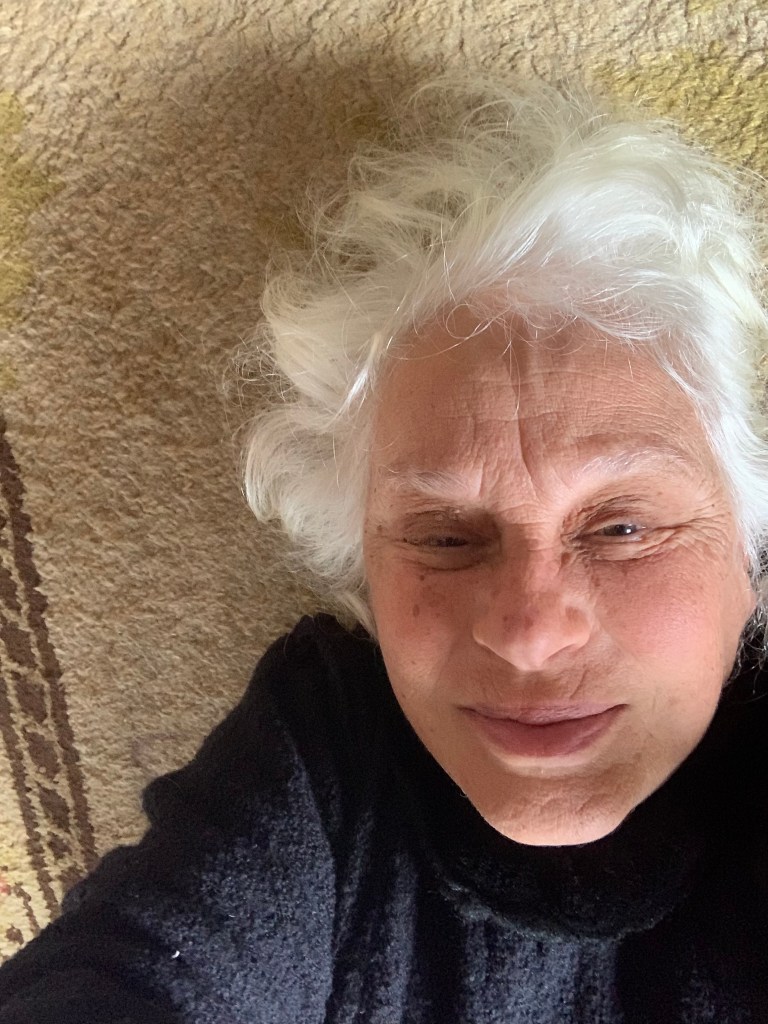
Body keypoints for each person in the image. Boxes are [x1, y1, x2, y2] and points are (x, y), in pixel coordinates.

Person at [0, 73, 767, 1022]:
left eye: (622, 528)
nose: (530, 634)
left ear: (749, 554)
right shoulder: (325, 750)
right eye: (446, 536)